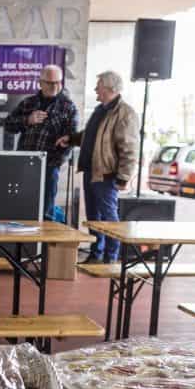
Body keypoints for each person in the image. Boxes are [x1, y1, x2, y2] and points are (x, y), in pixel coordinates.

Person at [56, 70, 139, 263]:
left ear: (110, 88)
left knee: (108, 218)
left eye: (99, 86)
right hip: (92, 171)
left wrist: (123, 178)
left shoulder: (125, 113)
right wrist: (72, 139)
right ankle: (96, 254)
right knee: (94, 216)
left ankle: (111, 257)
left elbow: (129, 148)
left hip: (107, 174)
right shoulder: (101, 109)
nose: (96, 90)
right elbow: (91, 134)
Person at [3, 64, 79, 220]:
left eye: (58, 82)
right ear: (41, 83)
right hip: (24, 163)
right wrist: (27, 120)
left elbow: (72, 138)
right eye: (50, 83)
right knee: (21, 206)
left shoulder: (68, 107)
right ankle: (22, 243)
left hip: (50, 165)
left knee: (46, 211)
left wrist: (56, 162)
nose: (55, 86)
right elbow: (8, 125)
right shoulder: (28, 103)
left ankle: (43, 244)